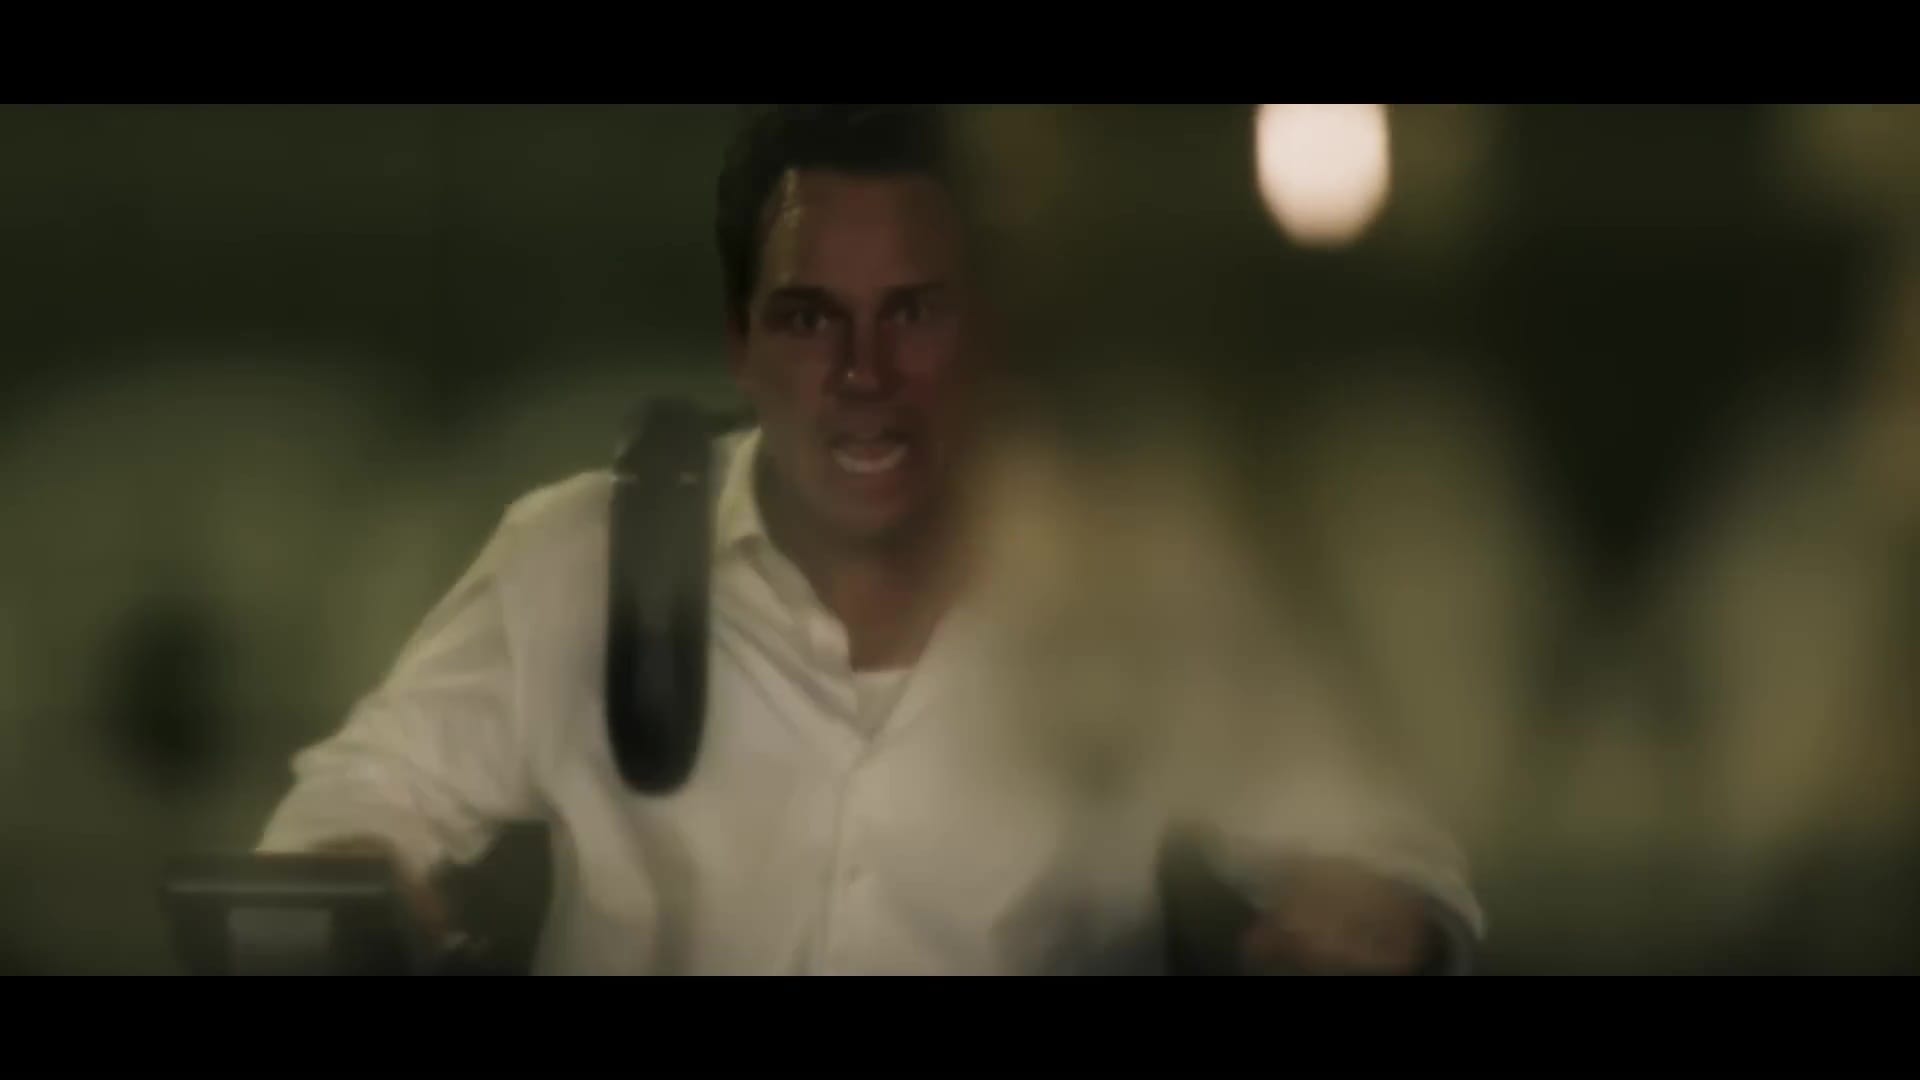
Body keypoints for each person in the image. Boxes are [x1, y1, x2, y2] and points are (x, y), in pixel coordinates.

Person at [257, 104, 1482, 975]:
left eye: (914, 314)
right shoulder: (580, 554)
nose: (863, 375)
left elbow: (1386, 853)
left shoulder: (1131, 581)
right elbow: (348, 811)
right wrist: (362, 881)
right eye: (809, 319)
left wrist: (1366, 916)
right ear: (739, 344)